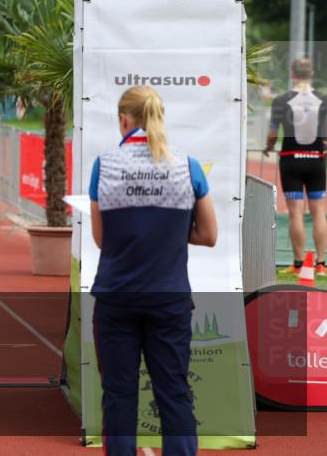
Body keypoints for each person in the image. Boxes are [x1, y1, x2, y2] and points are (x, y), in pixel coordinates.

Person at [90, 86, 217, 456]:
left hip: (117, 297)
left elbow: (101, 238)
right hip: (169, 298)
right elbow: (209, 235)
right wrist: (174, 234)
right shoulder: (187, 166)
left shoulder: (105, 165)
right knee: (174, 393)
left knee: (119, 395)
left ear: (124, 119)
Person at [264, 57, 327, 277]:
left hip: (291, 159)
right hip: (316, 160)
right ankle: (321, 264)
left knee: (295, 214)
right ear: (311, 74)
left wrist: (267, 147)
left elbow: (273, 133)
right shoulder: (323, 99)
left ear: (292, 74)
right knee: (319, 212)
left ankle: (299, 263)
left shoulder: (280, 100)